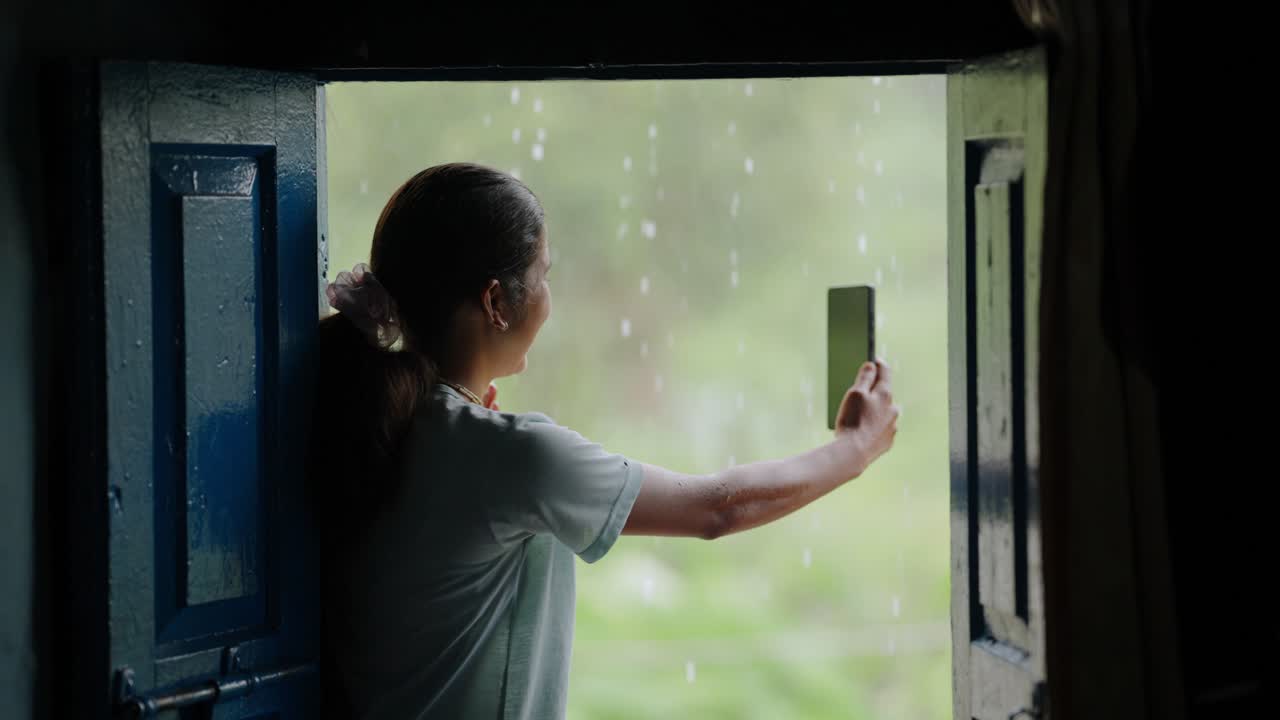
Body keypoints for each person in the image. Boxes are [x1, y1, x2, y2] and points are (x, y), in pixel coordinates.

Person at [309, 162, 899, 719]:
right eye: (544, 276)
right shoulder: (509, 455)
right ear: (495, 302)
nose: (549, 297)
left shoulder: (374, 419)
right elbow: (719, 507)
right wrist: (854, 449)